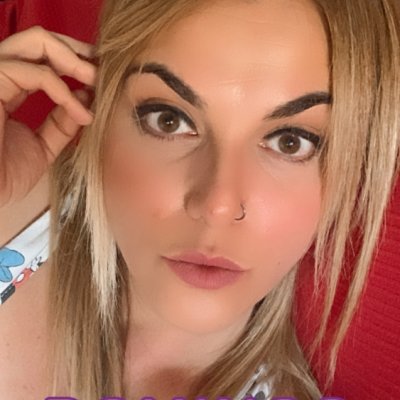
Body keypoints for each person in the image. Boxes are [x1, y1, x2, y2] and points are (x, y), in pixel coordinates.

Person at [0, 0, 399, 399]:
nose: (217, 205)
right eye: (168, 120)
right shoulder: (11, 206)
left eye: (290, 142)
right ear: (101, 109)